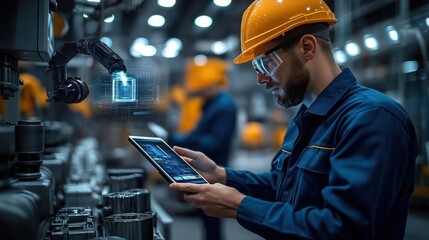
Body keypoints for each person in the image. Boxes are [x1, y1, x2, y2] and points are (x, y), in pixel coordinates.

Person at [169, 0, 418, 239]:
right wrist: (222, 175)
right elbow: (282, 185)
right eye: (256, 68)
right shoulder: (307, 116)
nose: (261, 79)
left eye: (266, 63)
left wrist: (239, 206)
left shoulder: (372, 118)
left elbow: (342, 229)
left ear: (307, 47)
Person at [167, 58, 237, 240]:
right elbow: (203, 133)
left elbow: (215, 141)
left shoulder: (224, 106)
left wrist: (183, 140)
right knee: (206, 214)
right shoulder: (213, 103)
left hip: (214, 166)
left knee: (212, 216)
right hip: (206, 168)